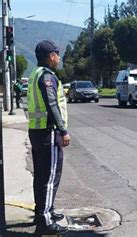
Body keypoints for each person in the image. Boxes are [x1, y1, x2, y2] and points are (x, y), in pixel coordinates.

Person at [28, 40, 69, 235]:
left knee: (41, 175)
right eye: (57, 54)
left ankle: (44, 211)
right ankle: (45, 220)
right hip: (48, 132)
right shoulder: (47, 77)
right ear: (50, 56)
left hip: (36, 131)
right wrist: (63, 130)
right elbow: (52, 104)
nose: (58, 57)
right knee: (51, 176)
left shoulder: (35, 73)